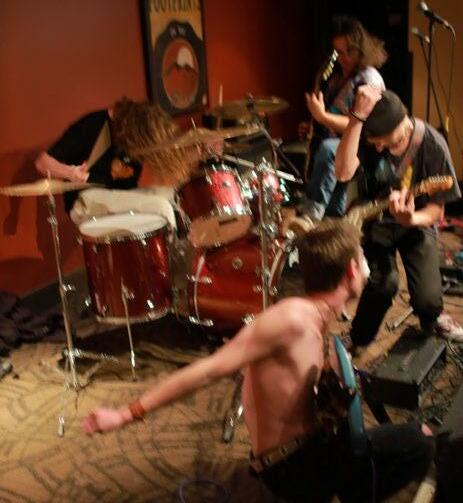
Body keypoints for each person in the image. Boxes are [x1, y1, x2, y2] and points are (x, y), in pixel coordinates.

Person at [83, 219, 435, 502]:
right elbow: (208, 370)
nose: (370, 270)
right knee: (420, 441)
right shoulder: (290, 320)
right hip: (293, 469)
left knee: (389, 441)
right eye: (364, 261)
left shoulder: (316, 315)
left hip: (307, 450)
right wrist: (126, 413)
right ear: (351, 271)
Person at [335, 85, 463, 348]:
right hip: (374, 223)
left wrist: (411, 219)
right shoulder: (370, 140)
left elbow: (436, 211)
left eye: (384, 140)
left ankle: (433, 319)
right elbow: (343, 173)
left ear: (403, 123)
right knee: (384, 284)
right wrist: (356, 118)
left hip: (415, 222)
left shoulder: (432, 145)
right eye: (375, 141)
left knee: (428, 300)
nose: (378, 147)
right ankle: (358, 337)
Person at [35, 97, 199, 226]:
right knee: (160, 207)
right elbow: (42, 162)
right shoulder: (92, 125)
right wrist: (71, 173)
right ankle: (173, 255)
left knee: (169, 194)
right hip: (86, 199)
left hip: (120, 194)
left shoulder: (141, 129)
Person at [299, 15, 386, 222]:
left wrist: (322, 116)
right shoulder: (336, 78)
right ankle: (333, 221)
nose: (343, 58)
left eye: (349, 51)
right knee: (328, 151)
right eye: (338, 52)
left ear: (361, 50)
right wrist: (313, 124)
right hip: (338, 144)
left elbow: (358, 124)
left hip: (363, 147)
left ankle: (311, 214)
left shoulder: (369, 79)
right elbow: (333, 117)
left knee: (329, 149)